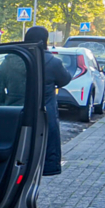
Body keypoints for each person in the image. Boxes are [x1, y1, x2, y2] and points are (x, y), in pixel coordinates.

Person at [24, 26, 71, 176]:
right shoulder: (53, 62)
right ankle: (48, 168)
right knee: (47, 143)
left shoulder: (14, 59)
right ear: (45, 41)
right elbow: (65, 79)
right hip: (45, 112)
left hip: (18, 110)